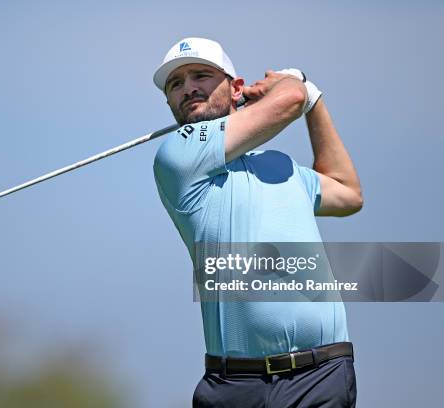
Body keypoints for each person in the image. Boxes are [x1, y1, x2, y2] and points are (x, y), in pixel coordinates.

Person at [152, 37, 363, 407]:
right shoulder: (176, 155)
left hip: (322, 374)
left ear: (236, 88)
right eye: (175, 84)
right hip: (235, 385)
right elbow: (288, 100)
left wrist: (313, 101)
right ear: (169, 101)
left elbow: (347, 193)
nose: (188, 88)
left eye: (200, 75)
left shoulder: (279, 166)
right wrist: (289, 83)